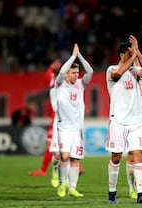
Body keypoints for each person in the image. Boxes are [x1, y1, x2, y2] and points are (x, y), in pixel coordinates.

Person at [106, 35, 142, 204]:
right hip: (118, 121)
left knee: (139, 154)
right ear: (122, 55)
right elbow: (117, 75)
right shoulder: (111, 69)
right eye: (130, 53)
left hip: (136, 122)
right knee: (116, 157)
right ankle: (112, 193)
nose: (133, 55)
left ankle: (141, 194)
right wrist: (134, 56)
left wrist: (137, 51)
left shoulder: (135, 72)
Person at [55, 43, 93, 198]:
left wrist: (80, 57)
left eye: (77, 72)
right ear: (66, 74)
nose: (76, 75)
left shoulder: (81, 84)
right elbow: (61, 71)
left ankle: (72, 187)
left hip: (77, 128)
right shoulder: (60, 84)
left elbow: (90, 71)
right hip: (64, 127)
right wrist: (72, 57)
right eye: (73, 72)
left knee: (75, 159)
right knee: (64, 156)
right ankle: (62, 184)